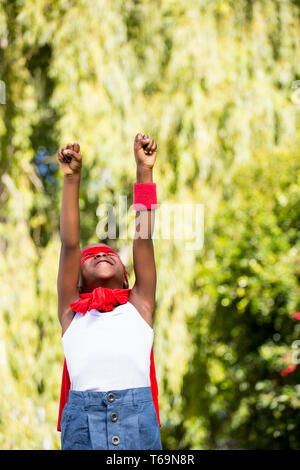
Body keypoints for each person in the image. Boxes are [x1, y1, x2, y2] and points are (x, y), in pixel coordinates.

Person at [56, 134, 162, 450]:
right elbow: (69, 243)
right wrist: (72, 179)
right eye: (91, 256)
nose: (102, 254)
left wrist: (144, 171)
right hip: (82, 425)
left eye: (109, 254)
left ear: (127, 275)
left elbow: (143, 235)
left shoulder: (139, 305)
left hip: (138, 421)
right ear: (77, 279)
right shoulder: (70, 311)